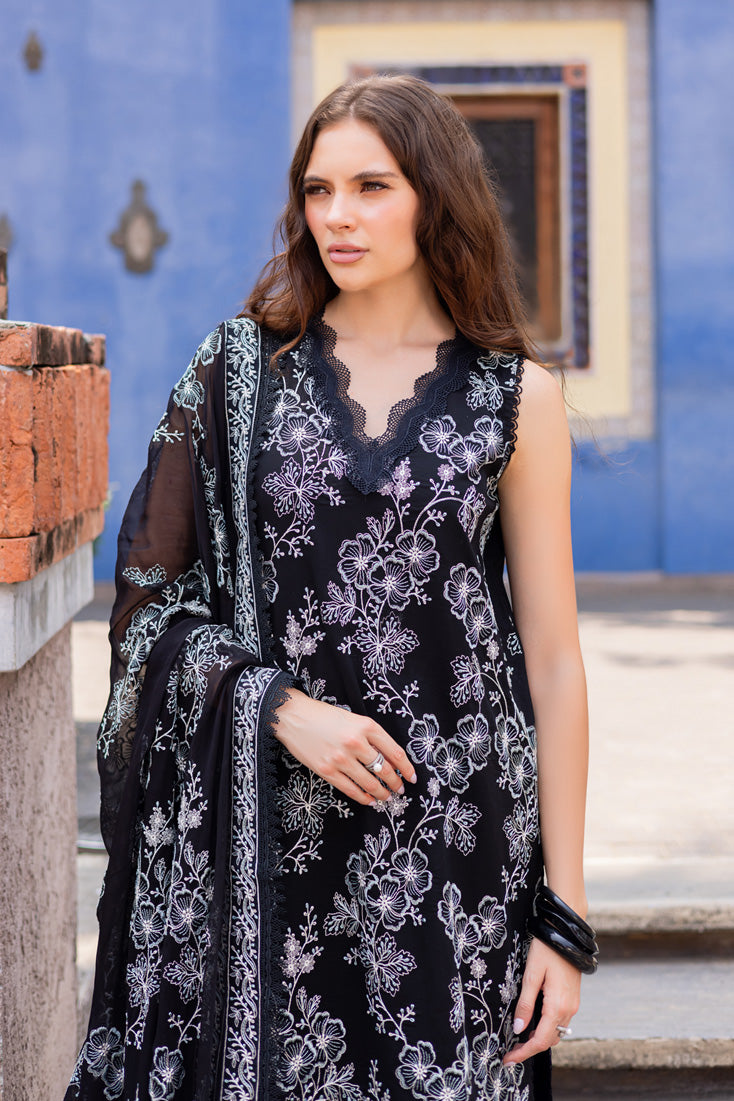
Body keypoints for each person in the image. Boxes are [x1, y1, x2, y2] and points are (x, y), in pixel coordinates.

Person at [66, 74, 594, 1101]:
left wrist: (561, 919)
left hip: (455, 854)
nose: (336, 216)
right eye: (318, 190)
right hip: (270, 844)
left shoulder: (515, 398)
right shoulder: (237, 372)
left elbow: (554, 662)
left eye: (370, 187)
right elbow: (146, 602)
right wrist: (279, 708)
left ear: (435, 197)